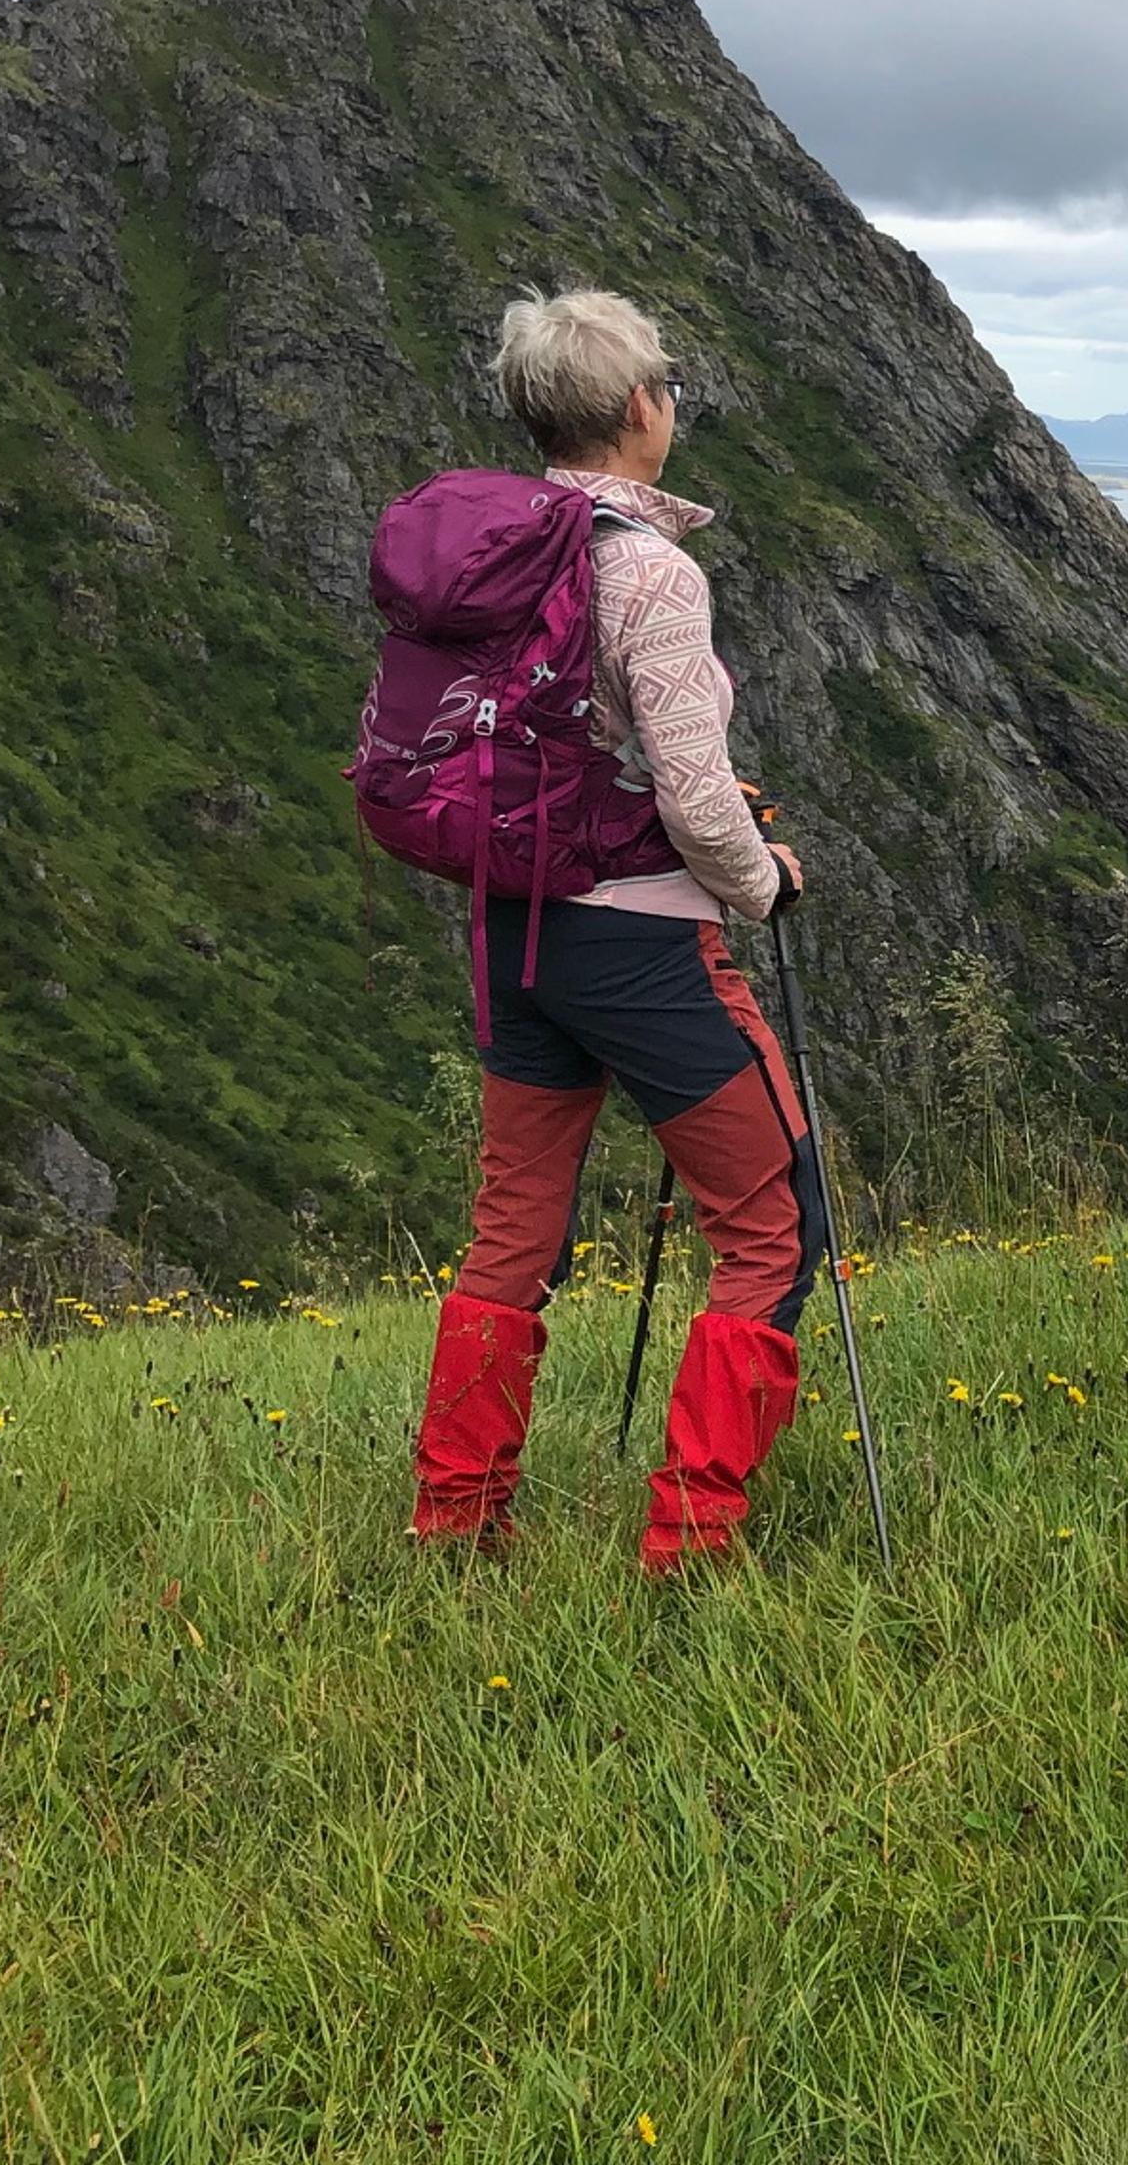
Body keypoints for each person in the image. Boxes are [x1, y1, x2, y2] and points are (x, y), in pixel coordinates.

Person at [406, 288, 825, 1571]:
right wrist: (764, 884)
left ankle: (459, 1520)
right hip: (643, 951)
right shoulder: (650, 568)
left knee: (513, 1233)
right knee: (775, 1225)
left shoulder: (503, 555)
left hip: (513, 932)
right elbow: (696, 797)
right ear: (642, 407)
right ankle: (691, 1539)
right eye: (670, 385)